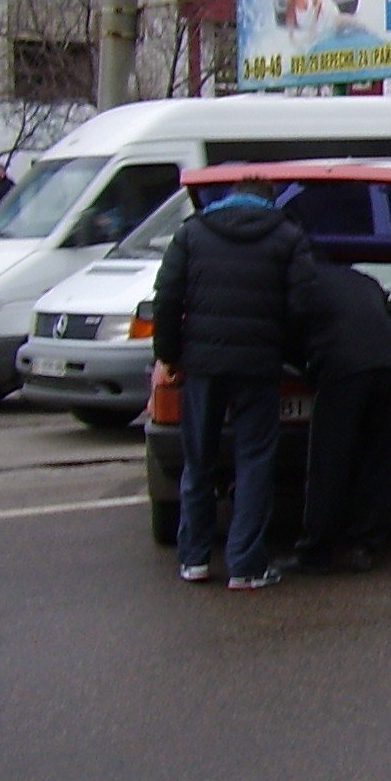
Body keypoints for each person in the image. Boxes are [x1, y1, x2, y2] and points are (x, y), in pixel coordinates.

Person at [152, 177, 317, 591]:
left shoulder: (191, 233)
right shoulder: (287, 235)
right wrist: (292, 355)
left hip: (203, 365)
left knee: (199, 459)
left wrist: (170, 355)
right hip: (259, 366)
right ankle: (245, 565)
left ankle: (195, 558)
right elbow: (302, 305)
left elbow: (167, 298)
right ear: (269, 200)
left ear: (227, 199)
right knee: (255, 461)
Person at [281, 261, 391, 574]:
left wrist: (308, 369)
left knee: (329, 460)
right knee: (379, 458)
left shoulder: (301, 282)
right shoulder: (364, 281)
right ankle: (365, 545)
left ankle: (316, 551)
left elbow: (290, 333)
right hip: (390, 364)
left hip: (346, 368)